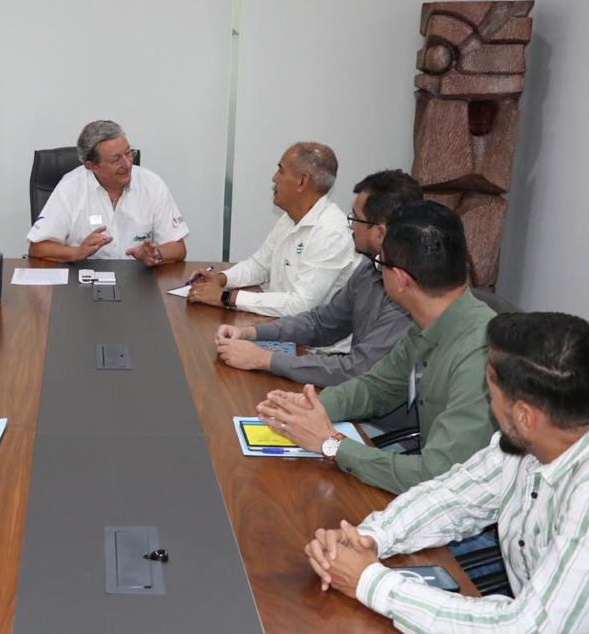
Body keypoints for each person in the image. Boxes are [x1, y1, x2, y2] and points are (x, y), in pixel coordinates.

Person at [305, 312, 589, 633]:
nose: (487, 401)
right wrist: (368, 537)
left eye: (490, 392)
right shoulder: (528, 444)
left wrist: (368, 580)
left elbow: (527, 627)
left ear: (525, 417)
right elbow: (453, 498)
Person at [256, 201, 497, 494]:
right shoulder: (430, 322)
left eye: (380, 262)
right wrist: (312, 409)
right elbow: (377, 387)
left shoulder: (481, 355)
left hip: (454, 503)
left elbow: (436, 476)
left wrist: (330, 444)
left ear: (400, 279)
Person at [214, 169, 421, 386]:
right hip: (346, 382)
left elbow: (358, 369)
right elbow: (321, 324)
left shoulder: (409, 287)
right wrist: (251, 332)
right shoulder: (370, 269)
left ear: (379, 232)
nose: (350, 226)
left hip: (364, 395)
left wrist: (264, 359)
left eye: (356, 219)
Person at [187, 143, 359, 336]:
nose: (274, 178)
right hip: (279, 327)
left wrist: (226, 297)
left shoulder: (331, 232)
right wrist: (221, 279)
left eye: (281, 171)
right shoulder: (289, 218)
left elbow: (301, 305)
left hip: (313, 347)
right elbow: (260, 265)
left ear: (302, 181)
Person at [26, 120, 188, 266]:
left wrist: (156, 254)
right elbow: (37, 248)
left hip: (139, 279)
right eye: (116, 159)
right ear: (92, 166)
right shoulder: (70, 187)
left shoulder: (152, 184)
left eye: (128, 153)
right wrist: (77, 253)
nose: (128, 164)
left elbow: (178, 248)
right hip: (83, 281)